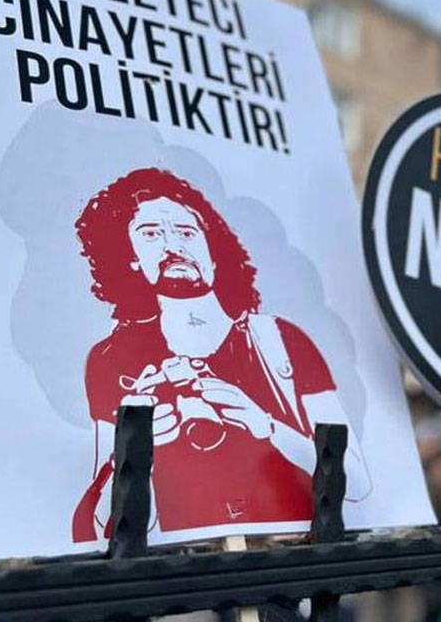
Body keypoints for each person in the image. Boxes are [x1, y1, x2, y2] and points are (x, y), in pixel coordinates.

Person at [71, 168, 370, 541]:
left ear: (213, 249)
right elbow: (103, 528)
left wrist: (267, 427)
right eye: (150, 234)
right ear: (130, 257)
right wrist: (137, 454)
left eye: (186, 232)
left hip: (291, 558)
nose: (173, 246)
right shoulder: (111, 359)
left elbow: (357, 484)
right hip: (184, 569)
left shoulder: (282, 342)